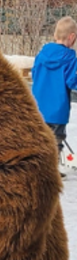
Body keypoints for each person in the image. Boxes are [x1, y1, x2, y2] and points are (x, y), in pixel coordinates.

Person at [32, 16, 77, 169]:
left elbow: (34, 73)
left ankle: (36, 168)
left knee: (39, 139)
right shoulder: (70, 57)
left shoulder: (42, 54)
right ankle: (51, 172)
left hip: (38, 106)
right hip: (57, 109)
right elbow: (72, 81)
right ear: (71, 37)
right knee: (56, 140)